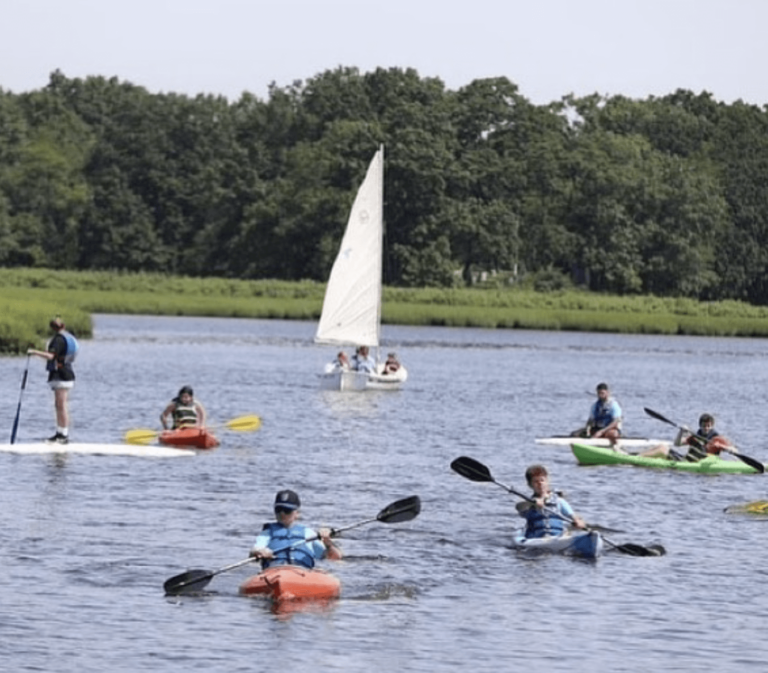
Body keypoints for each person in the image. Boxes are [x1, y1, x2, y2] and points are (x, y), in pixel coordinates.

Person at [249, 489, 342, 569]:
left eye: (287, 510)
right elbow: (255, 549)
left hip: (301, 572)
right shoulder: (267, 533)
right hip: (274, 571)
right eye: (278, 510)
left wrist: (327, 542)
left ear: (297, 513)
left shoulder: (308, 533)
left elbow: (334, 557)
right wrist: (259, 552)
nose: (282, 514)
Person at [27, 317, 79, 444]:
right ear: (63, 326)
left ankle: (63, 435)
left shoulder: (58, 340)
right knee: (59, 405)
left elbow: (51, 356)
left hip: (60, 375)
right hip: (67, 373)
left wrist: (34, 352)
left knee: (61, 405)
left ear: (53, 327)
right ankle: (60, 433)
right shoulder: (68, 338)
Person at [517, 465, 586, 538]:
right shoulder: (527, 503)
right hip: (535, 538)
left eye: (542, 480)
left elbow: (572, 515)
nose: (540, 483)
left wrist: (578, 521)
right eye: (535, 481)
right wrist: (532, 503)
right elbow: (519, 507)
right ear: (530, 485)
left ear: (547, 481)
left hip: (557, 537)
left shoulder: (559, 501)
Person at [641, 413, 738, 461]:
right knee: (662, 446)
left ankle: (638, 458)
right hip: (687, 460)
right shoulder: (696, 436)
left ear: (712, 426)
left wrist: (723, 447)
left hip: (701, 463)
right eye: (704, 425)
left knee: (662, 449)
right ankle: (637, 456)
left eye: (708, 426)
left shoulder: (717, 439)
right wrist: (681, 432)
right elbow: (677, 444)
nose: (706, 428)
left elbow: (735, 450)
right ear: (700, 425)